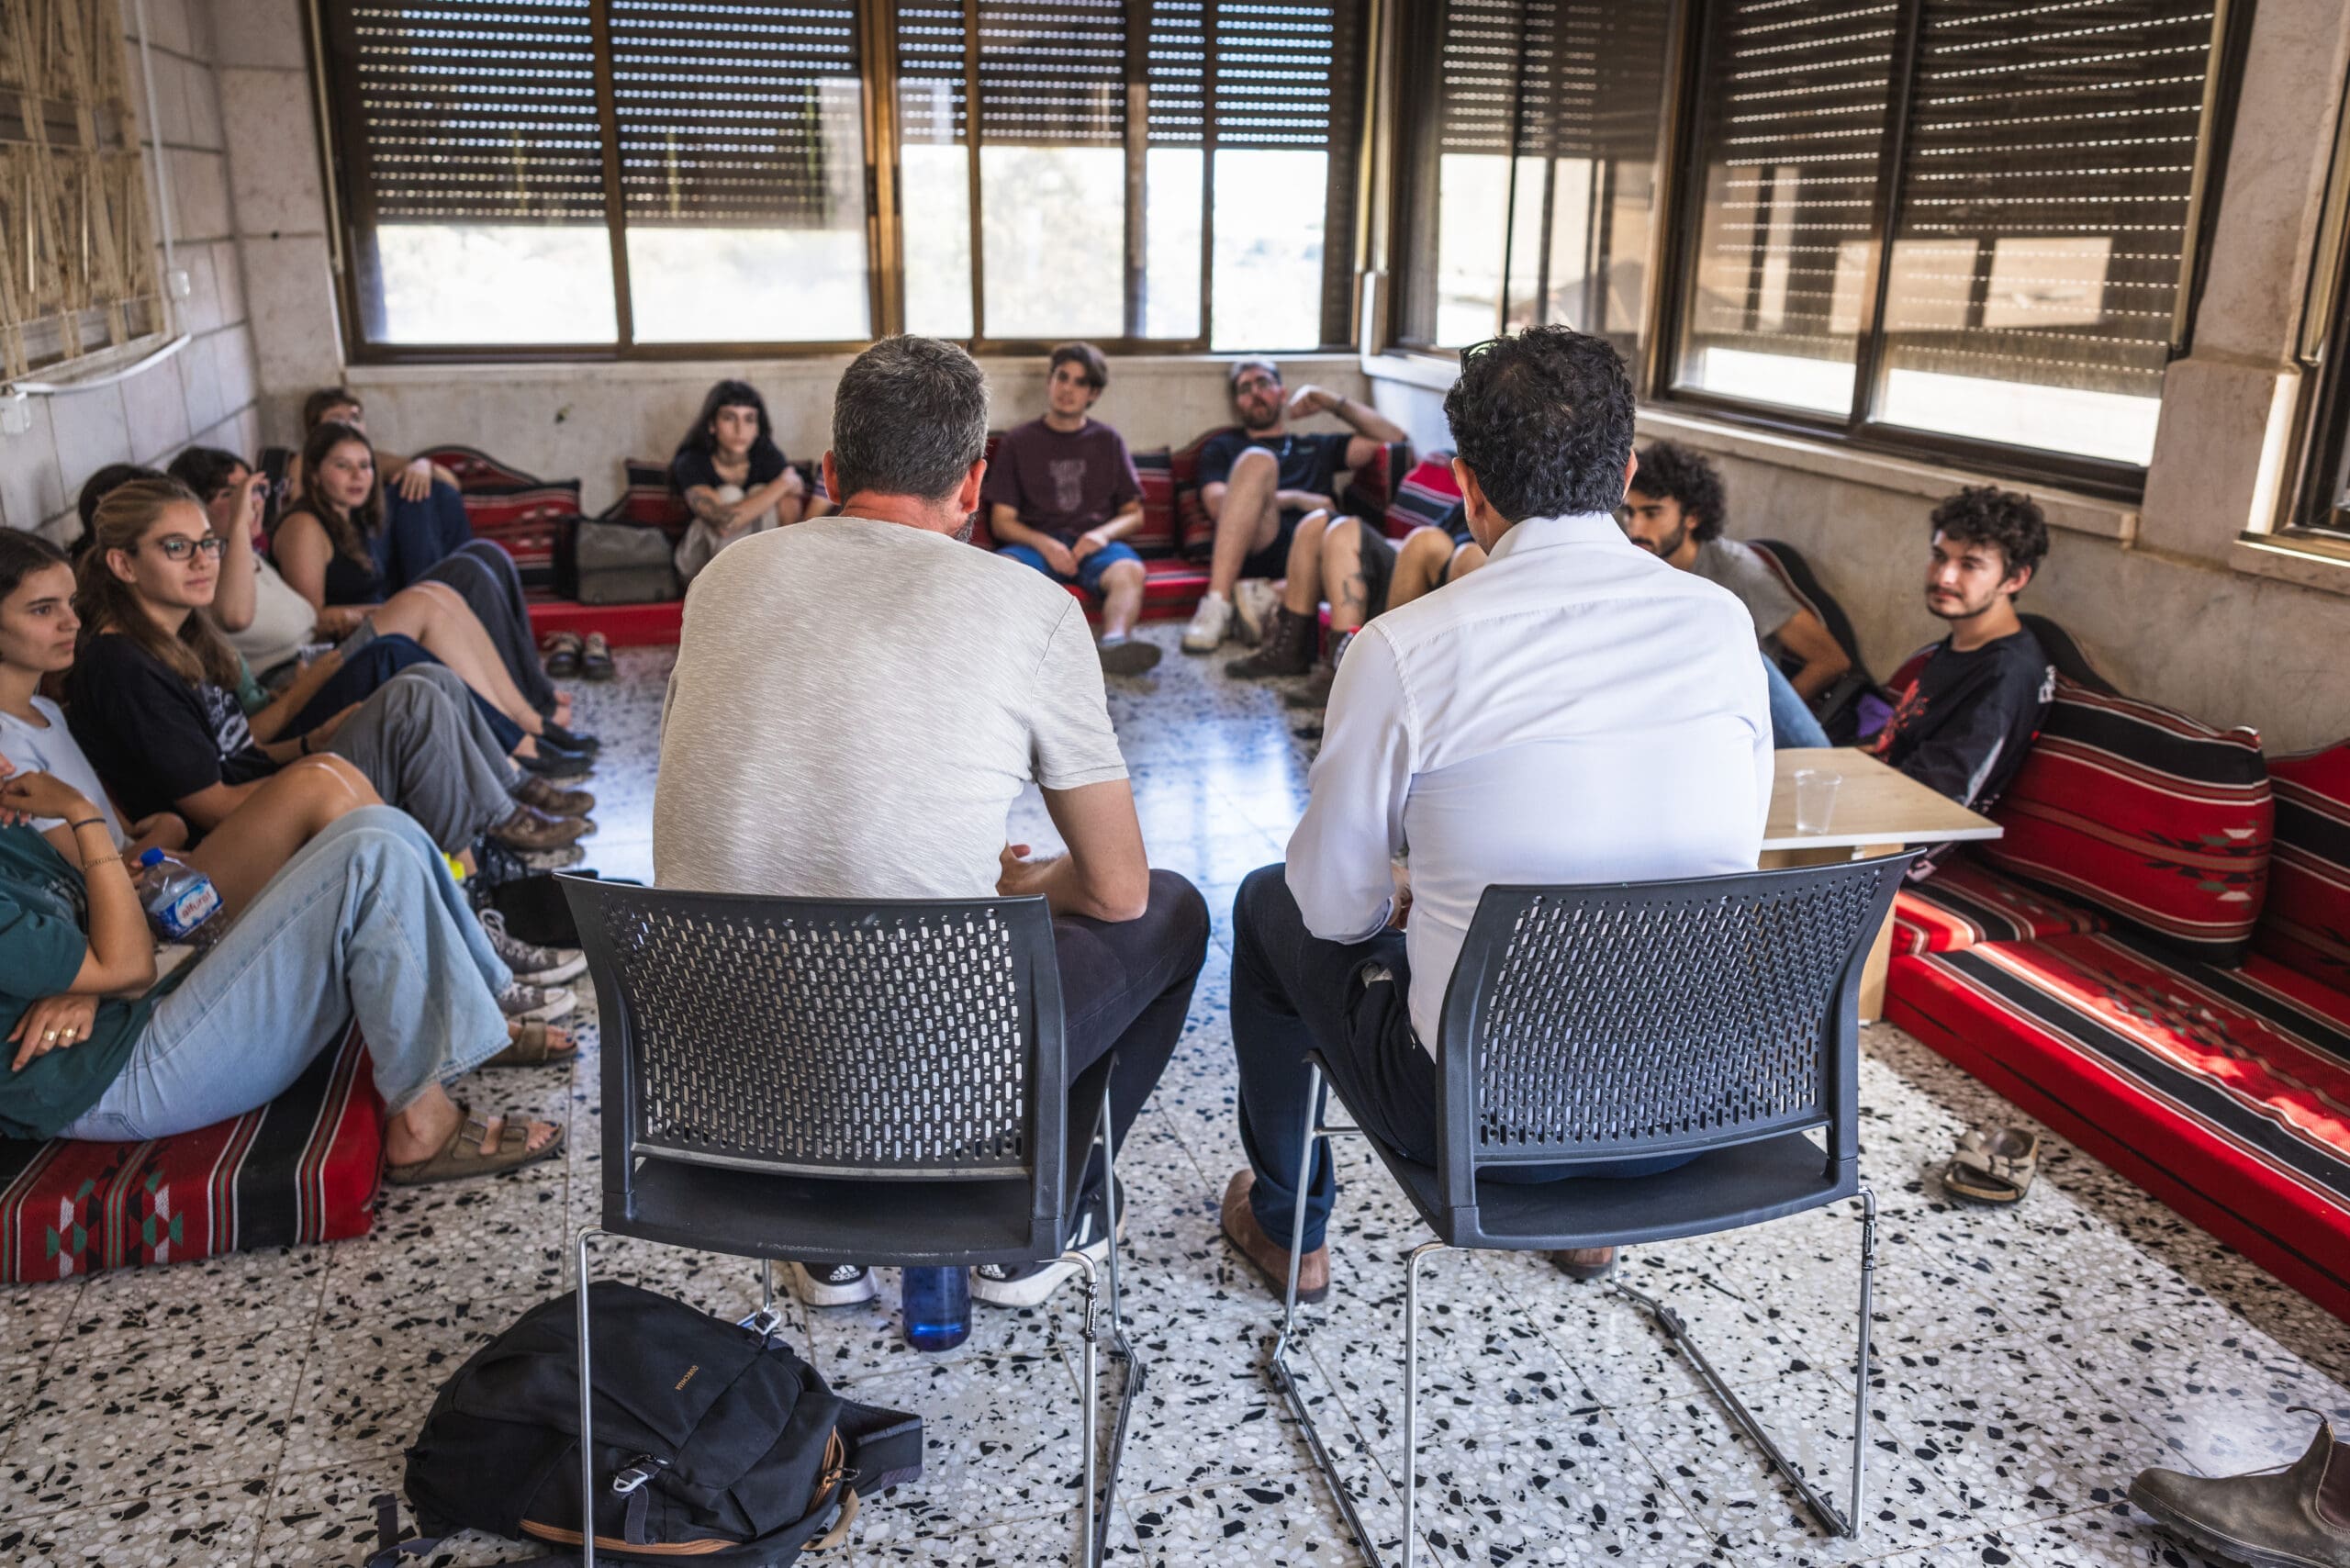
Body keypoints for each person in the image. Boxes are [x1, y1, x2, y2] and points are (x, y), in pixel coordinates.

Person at [655, 335, 1207, 1312]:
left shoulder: (721, 582)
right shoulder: (1028, 608)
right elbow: (1117, 889)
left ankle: (822, 1242)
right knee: (1169, 911)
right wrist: (1024, 882)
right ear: (973, 481)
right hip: (922, 1076)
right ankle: (1036, 1221)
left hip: (719, 1077)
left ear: (830, 472)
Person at [1218, 327, 1773, 1302]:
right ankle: (1591, 1237)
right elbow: (1716, 852)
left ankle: (1289, 1229)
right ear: (1624, 470)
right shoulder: (1721, 623)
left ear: (1468, 485)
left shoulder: (1401, 647)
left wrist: (1405, 894)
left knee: (1268, 907)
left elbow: (1336, 912)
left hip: (1485, 1120)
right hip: (1697, 1104)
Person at [0, 529, 588, 1003]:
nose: (70, 622)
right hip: (146, 920)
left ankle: (471, 938)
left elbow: (117, 837)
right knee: (325, 773)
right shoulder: (17, 734)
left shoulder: (45, 708)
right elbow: (81, 879)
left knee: (350, 751)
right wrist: (145, 843)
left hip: (162, 872)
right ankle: (473, 956)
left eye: (69, 605)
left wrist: (154, 835)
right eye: (42, 610)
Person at [0, 770, 567, 1185]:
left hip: (140, 1005)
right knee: (367, 859)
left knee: (379, 823)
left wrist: (92, 987)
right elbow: (127, 963)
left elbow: (120, 926)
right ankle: (423, 1128)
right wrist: (80, 811)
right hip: (116, 1077)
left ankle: (478, 1014)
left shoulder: (11, 838)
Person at [171, 445, 588, 780]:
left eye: (255, 491)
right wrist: (238, 527)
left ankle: (527, 723)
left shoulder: (248, 555)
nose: (253, 503)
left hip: (318, 661)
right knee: (428, 600)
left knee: (443, 593)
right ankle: (520, 741)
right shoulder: (211, 571)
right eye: (234, 495)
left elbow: (306, 619)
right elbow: (236, 617)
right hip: (294, 689)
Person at [274, 420, 591, 751]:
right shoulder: (305, 527)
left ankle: (533, 695)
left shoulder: (352, 516)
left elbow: (441, 481)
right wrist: (391, 610)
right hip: (347, 649)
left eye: (365, 466)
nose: (358, 476)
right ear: (313, 473)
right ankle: (534, 712)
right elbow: (309, 623)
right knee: (467, 573)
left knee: (486, 554)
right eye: (342, 466)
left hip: (382, 617)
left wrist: (422, 465)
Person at [1617, 441, 1842, 749]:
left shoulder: (1740, 573)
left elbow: (1830, 659)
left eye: (1652, 513)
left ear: (1692, 517)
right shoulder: (1632, 560)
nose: (1636, 527)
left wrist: (1759, 718)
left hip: (1731, 705)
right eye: (1629, 512)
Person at [1180, 359, 1409, 654]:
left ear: (1282, 393)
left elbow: (1394, 438)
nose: (1256, 393)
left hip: (1323, 553)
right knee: (1257, 460)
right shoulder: (1223, 447)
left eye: (1263, 383)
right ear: (1237, 403)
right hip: (1262, 543)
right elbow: (1219, 506)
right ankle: (1218, 604)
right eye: (1245, 389)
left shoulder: (1315, 446)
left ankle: (1269, 597)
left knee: (1381, 550)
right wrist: (1299, 498)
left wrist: (1328, 400)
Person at [1869, 486, 2056, 812]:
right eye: (1939, 556)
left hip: (1889, 845)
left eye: (1970, 565)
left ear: (2015, 579)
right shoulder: (1962, 643)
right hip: (1866, 795)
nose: (1945, 577)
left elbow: (1933, 803)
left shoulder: (2007, 674)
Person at [982, 343, 1159, 676]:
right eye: (1062, 377)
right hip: (1035, 545)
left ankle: (1115, 645)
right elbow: (1002, 521)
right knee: (1004, 569)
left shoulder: (1108, 441)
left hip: (1093, 548)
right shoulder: (1018, 442)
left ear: (1093, 394)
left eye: (1080, 383)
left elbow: (1134, 514)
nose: (1068, 388)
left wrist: (1100, 535)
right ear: (1050, 381)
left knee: (1129, 572)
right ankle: (1021, 659)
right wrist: (1045, 544)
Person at [669, 379, 823, 583]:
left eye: (749, 419)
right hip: (700, 566)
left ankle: (754, 580)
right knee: (729, 495)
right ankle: (734, 585)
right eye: (729, 418)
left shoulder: (767, 456)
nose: (740, 429)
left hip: (757, 565)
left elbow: (790, 522)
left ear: (757, 427)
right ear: (712, 425)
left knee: (770, 494)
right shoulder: (691, 461)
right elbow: (724, 524)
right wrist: (782, 483)